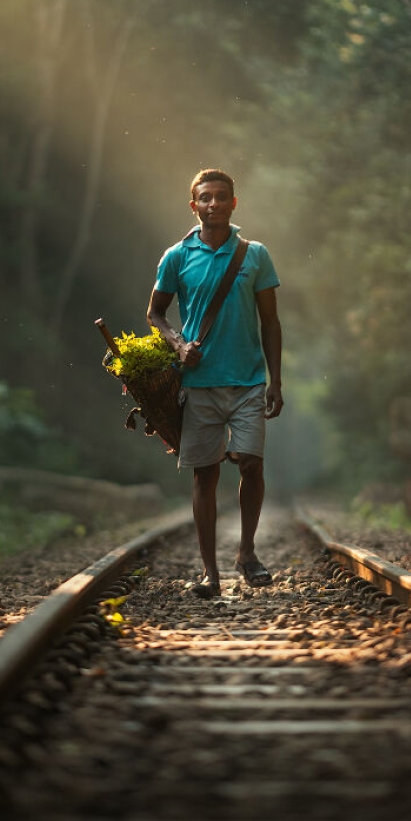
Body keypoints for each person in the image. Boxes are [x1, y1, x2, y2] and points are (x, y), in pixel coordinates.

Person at [147, 168, 283, 599]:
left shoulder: (255, 254)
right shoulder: (176, 256)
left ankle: (246, 552)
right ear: (194, 206)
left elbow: (271, 321)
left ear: (233, 203)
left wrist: (275, 380)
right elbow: (155, 313)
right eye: (205, 198)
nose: (213, 204)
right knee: (204, 476)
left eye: (221, 197)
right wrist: (178, 343)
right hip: (200, 383)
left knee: (250, 463)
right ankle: (210, 572)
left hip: (247, 382)